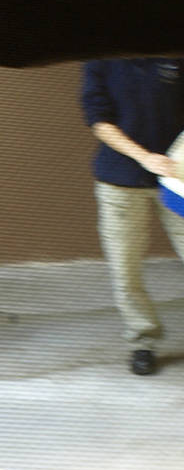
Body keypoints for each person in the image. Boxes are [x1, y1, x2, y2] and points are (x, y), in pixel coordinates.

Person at [80, 56, 184, 376]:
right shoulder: (100, 58)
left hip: (178, 180)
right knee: (126, 268)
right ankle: (143, 340)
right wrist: (144, 158)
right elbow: (98, 118)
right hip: (121, 183)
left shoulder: (174, 52)